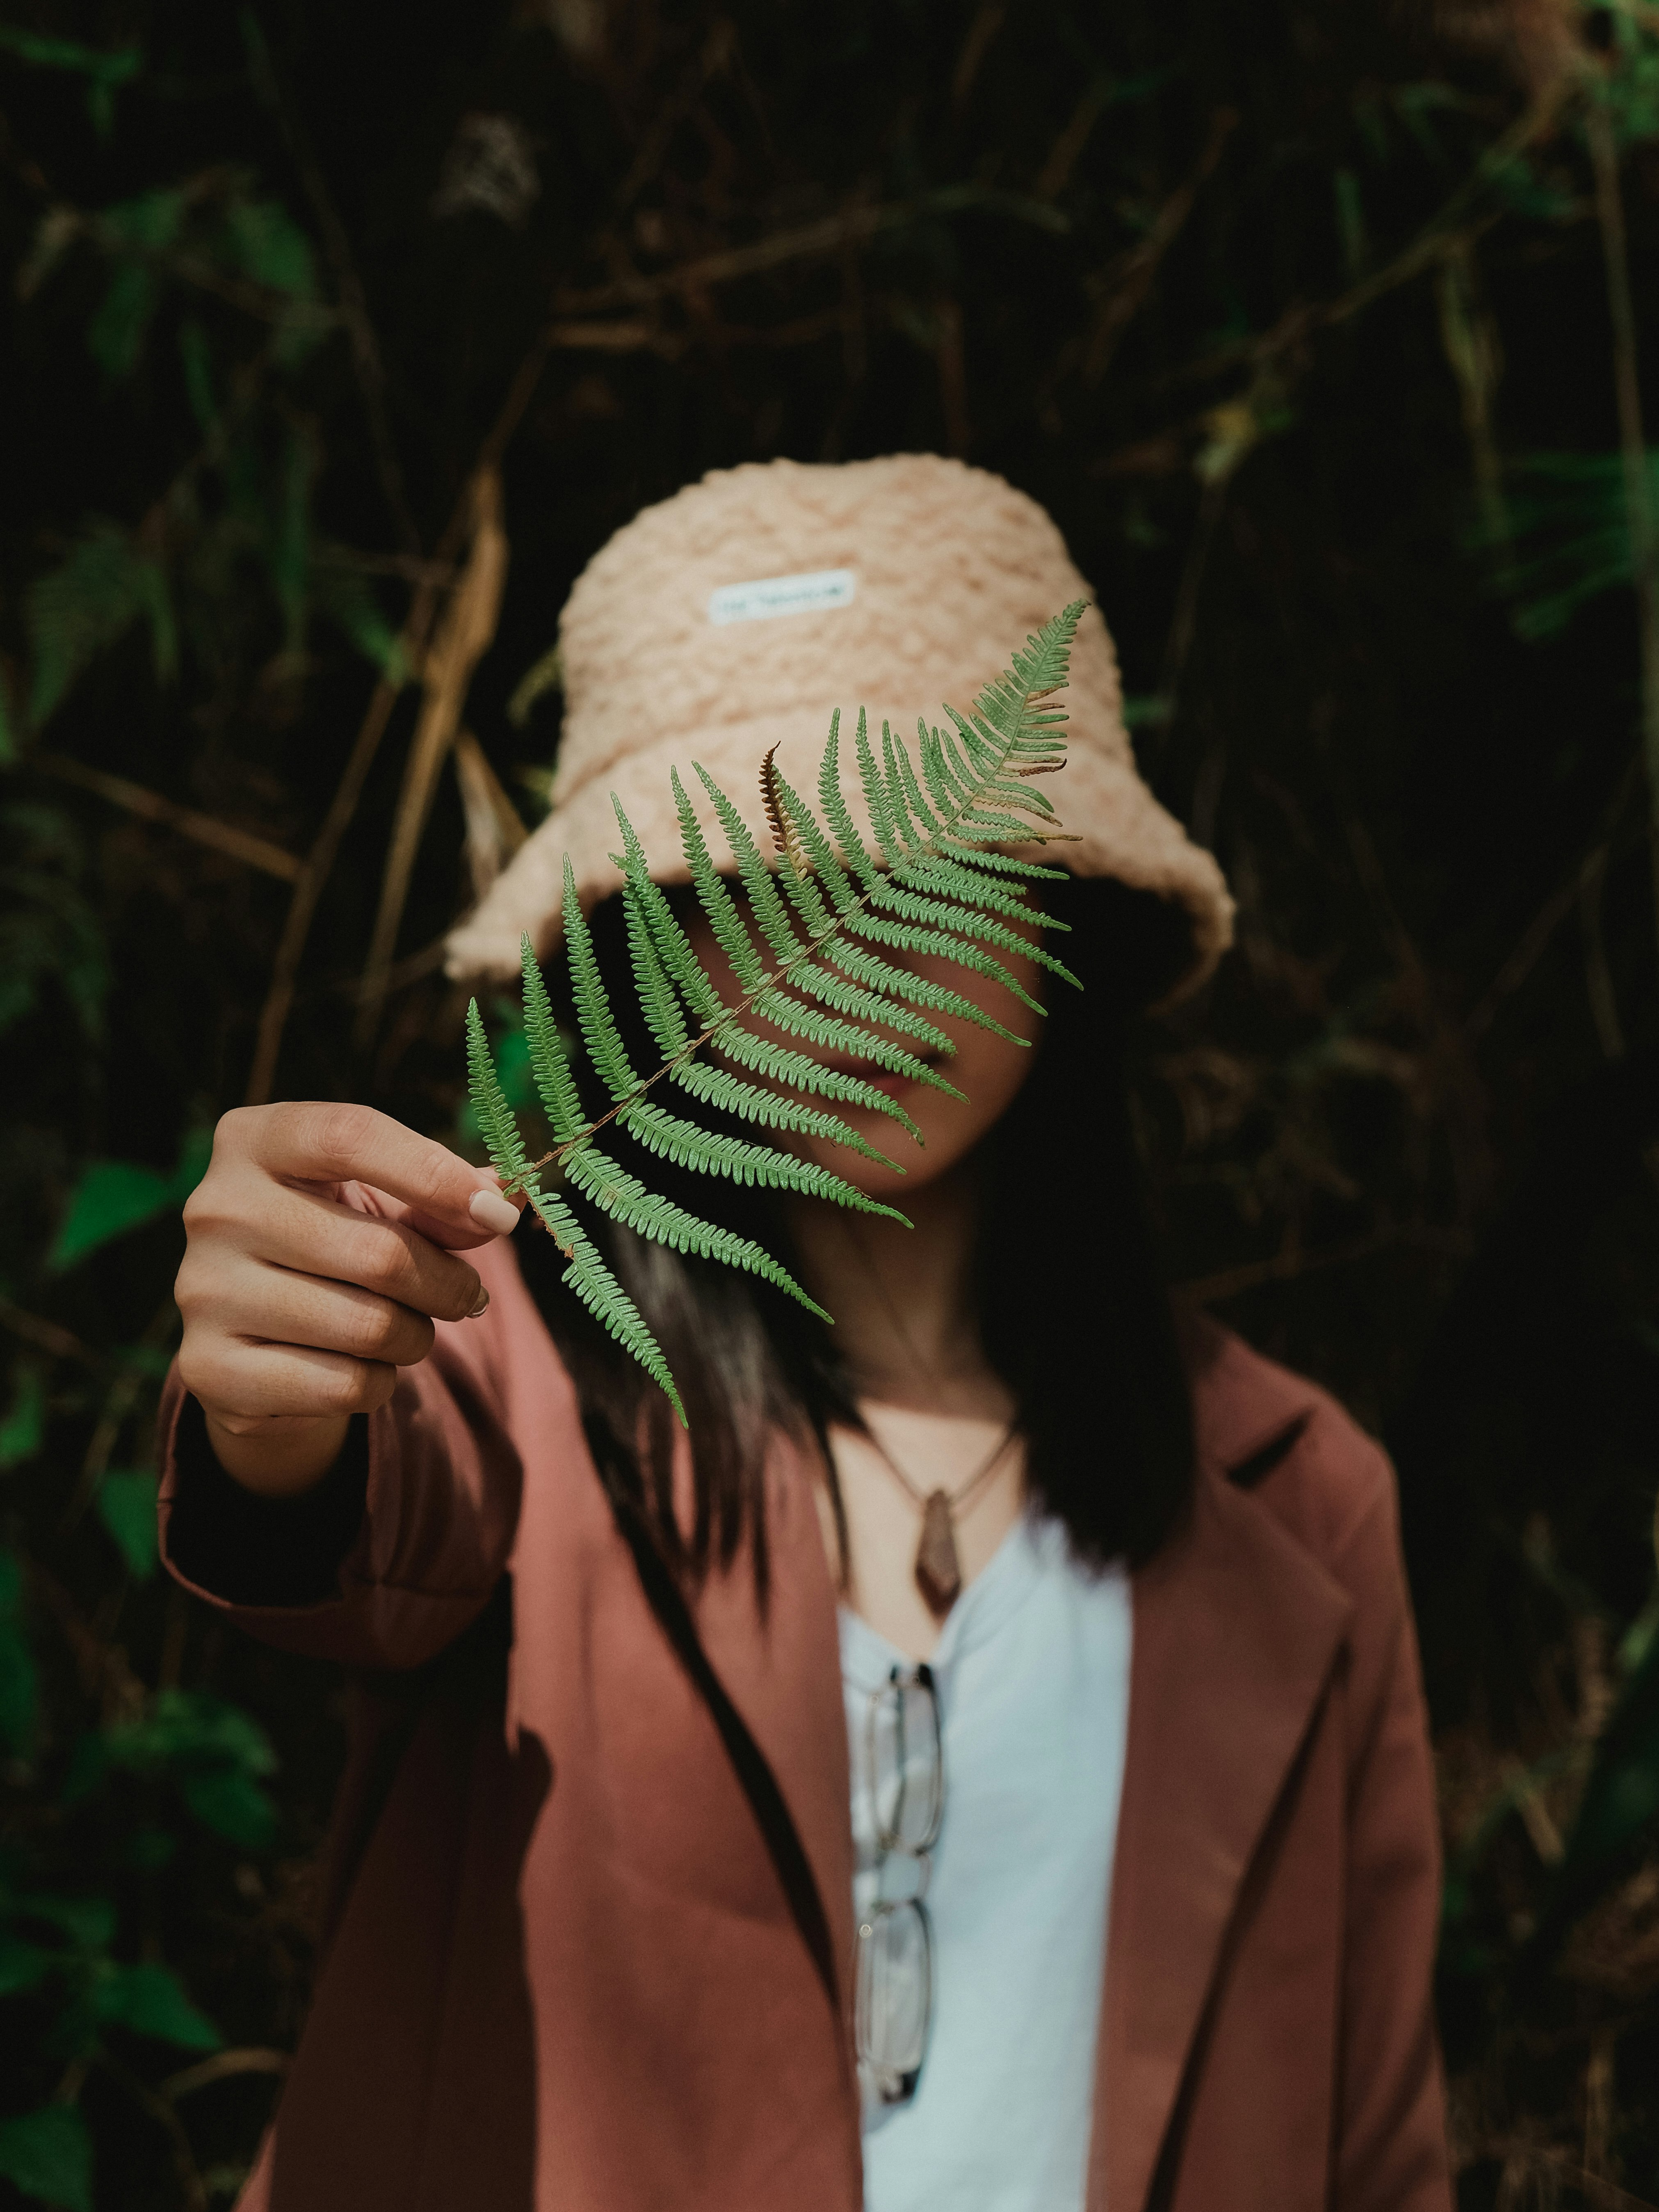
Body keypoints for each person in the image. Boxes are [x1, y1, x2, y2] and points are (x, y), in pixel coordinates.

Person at [164, 454, 1452, 2212]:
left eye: (919, 874)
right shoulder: (509, 1372)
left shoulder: (1296, 1501)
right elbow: (342, 1509)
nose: (841, 960)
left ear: (1070, 889)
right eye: (735, 879)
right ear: (621, 937)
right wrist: (273, 1383)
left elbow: (1372, 2148)